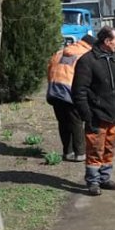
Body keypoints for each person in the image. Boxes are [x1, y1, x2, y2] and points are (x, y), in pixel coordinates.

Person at [72, 26, 115, 196]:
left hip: (114, 115)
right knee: (95, 148)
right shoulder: (87, 61)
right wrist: (87, 115)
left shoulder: (113, 59)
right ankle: (93, 182)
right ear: (107, 41)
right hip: (96, 115)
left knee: (109, 148)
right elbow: (78, 92)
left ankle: (105, 178)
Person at [46, 33, 95, 162]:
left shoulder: (60, 52)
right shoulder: (85, 55)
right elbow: (86, 77)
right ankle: (80, 153)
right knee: (76, 122)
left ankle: (67, 152)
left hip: (54, 90)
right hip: (70, 91)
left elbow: (49, 68)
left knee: (63, 122)